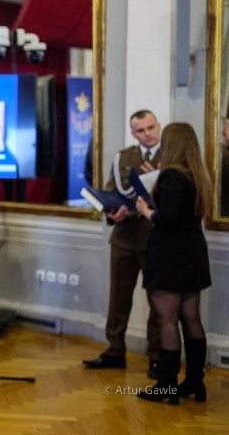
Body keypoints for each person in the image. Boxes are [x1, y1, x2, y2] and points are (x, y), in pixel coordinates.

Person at [134, 122, 212, 405]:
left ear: (172, 144)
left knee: (167, 320)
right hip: (193, 253)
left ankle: (166, 385)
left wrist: (145, 210)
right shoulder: (198, 174)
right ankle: (194, 382)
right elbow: (182, 215)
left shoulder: (170, 176)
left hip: (169, 255)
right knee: (191, 319)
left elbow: (166, 219)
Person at [82, 109, 162, 378]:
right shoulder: (124, 157)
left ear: (158, 126)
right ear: (133, 133)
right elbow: (110, 192)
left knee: (159, 304)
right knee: (118, 298)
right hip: (125, 236)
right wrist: (111, 211)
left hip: (157, 239)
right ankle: (115, 350)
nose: (147, 134)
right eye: (141, 130)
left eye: (151, 128)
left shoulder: (172, 155)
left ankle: (157, 357)